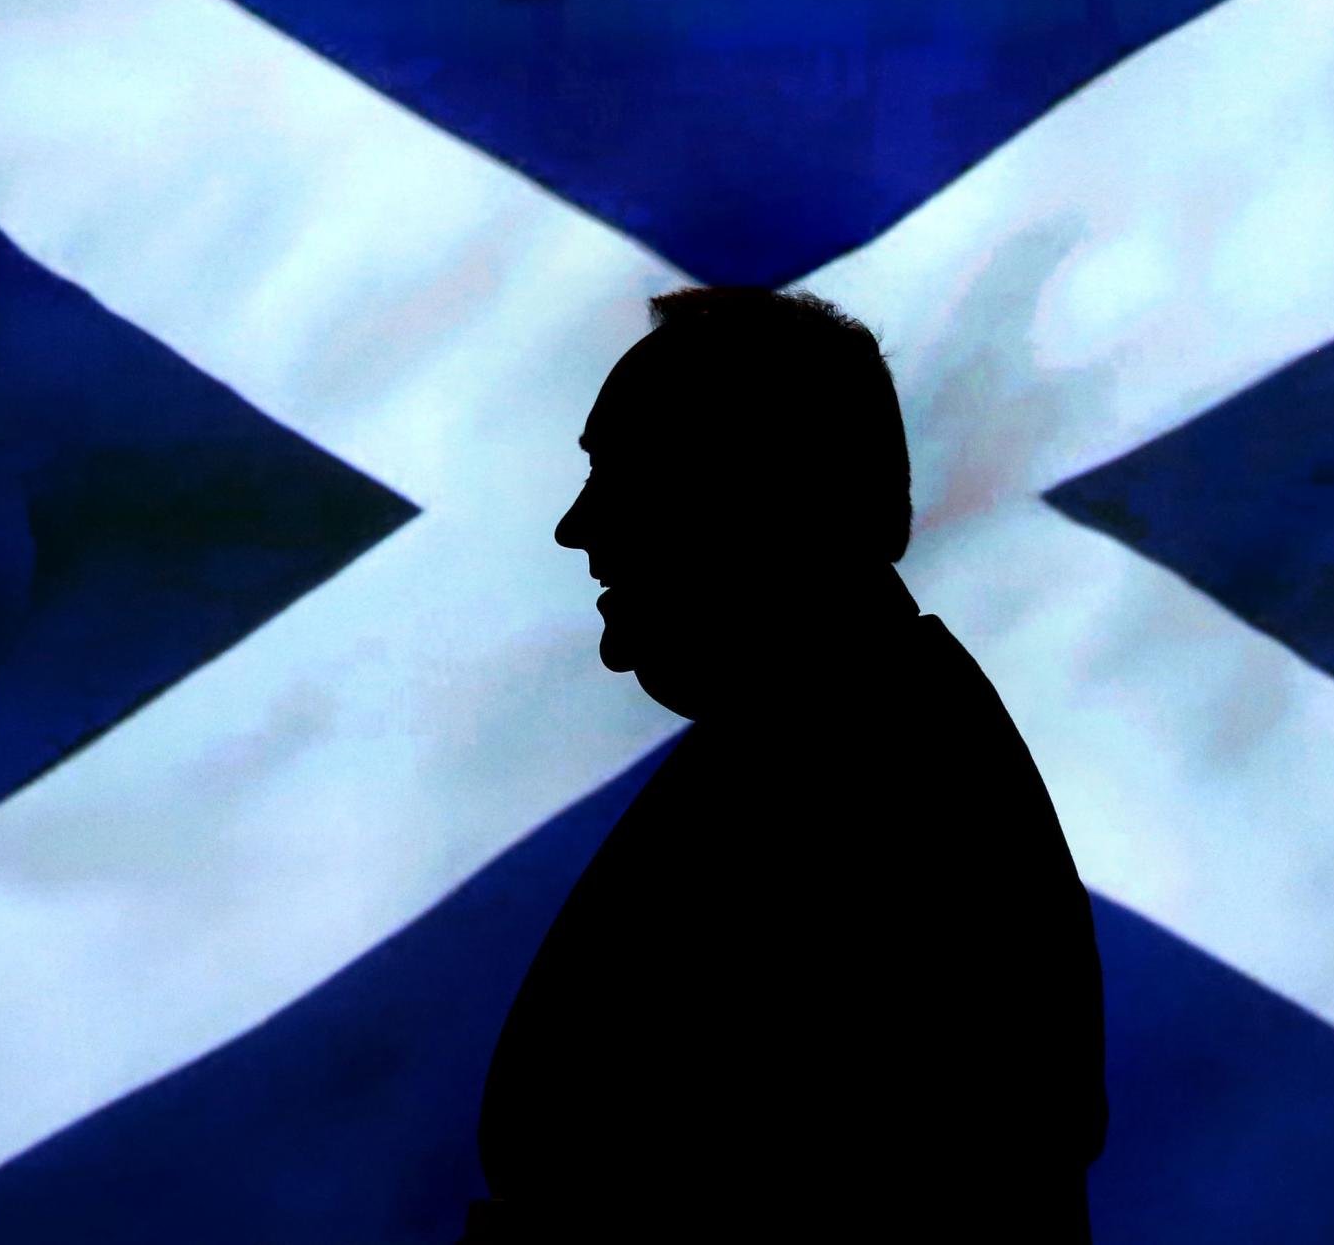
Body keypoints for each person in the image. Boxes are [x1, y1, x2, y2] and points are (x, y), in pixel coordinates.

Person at [463, 286, 1107, 1243]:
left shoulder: (872, 791)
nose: (580, 526)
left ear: (752, 494)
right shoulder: (834, 742)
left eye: (622, 473)